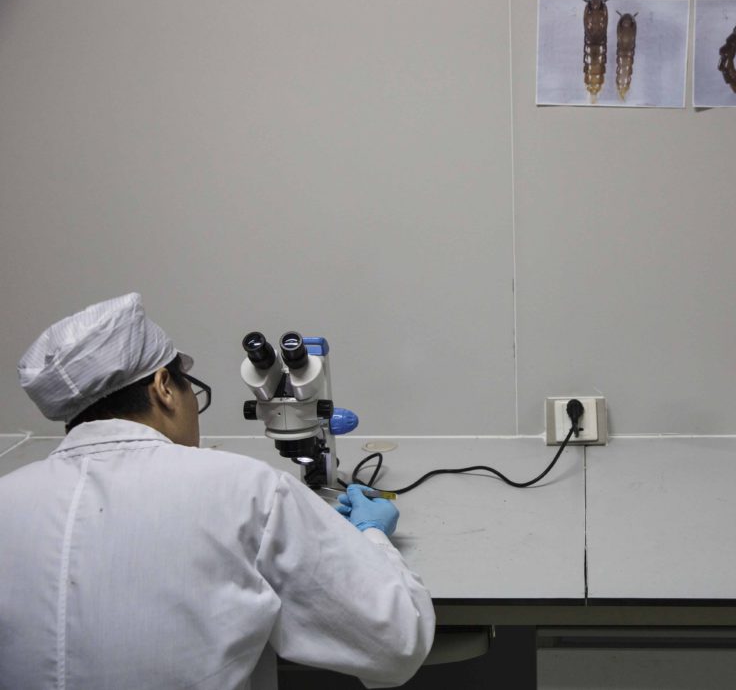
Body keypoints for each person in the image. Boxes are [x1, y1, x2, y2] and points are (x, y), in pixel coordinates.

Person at [0, 293, 435, 690]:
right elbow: (397, 643)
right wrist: (371, 536)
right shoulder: (248, 490)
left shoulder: (8, 498)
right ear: (164, 388)